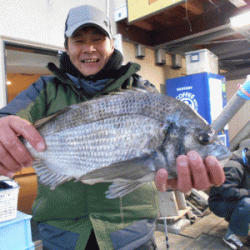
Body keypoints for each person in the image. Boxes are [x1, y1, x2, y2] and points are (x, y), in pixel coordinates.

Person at [0, 5, 225, 250]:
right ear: (67, 47)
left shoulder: (142, 89)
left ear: (111, 44)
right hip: (63, 235)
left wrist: (174, 172)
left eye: (98, 39)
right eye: (79, 41)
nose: (89, 48)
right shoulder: (45, 88)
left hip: (131, 236)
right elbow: (10, 116)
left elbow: (147, 167)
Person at [209, 139, 250, 250]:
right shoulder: (234, 167)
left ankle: (239, 227)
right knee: (248, 204)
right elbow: (228, 193)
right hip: (219, 204)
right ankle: (231, 237)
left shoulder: (247, 162)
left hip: (234, 201)